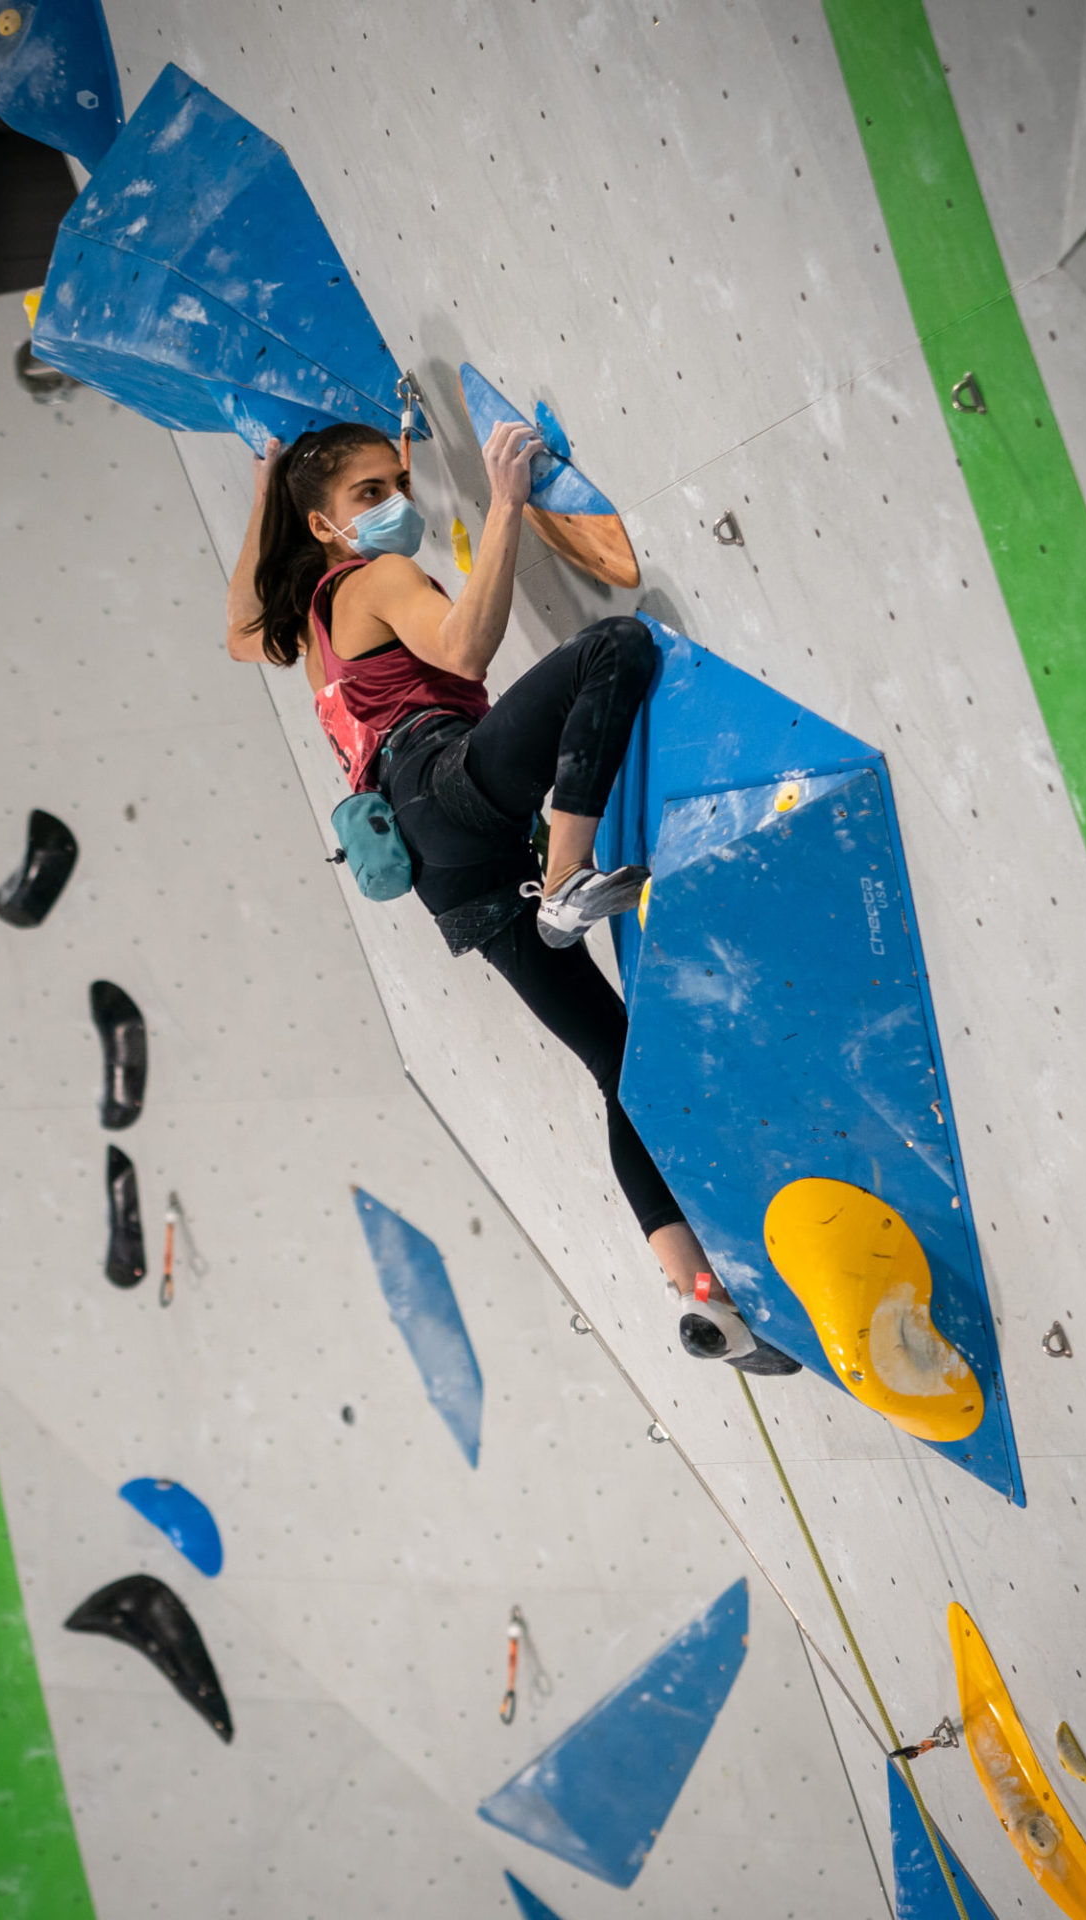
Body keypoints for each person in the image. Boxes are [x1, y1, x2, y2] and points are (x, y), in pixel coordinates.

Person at [224, 417, 796, 1376]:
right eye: (369, 493)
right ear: (324, 527)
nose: (394, 503)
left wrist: (264, 489)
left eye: (396, 482)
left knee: (621, 1067)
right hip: (444, 787)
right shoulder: (374, 580)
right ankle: (567, 874)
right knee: (616, 647)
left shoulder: (310, 625)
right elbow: (462, 651)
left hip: (441, 870)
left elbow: (241, 629)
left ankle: (703, 1300)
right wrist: (506, 503)